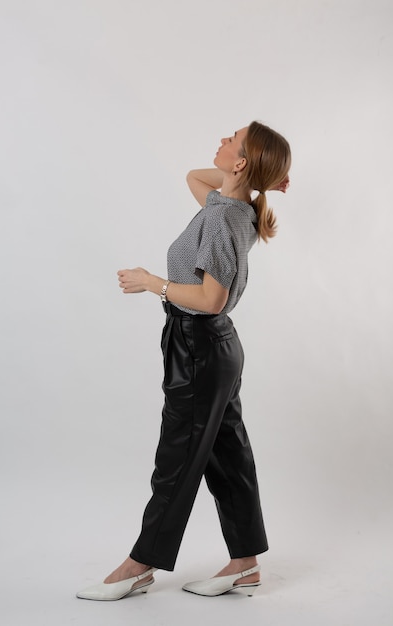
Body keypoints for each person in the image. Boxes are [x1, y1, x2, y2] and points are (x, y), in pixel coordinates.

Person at [76, 121, 291, 600]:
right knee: (227, 454)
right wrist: (259, 176)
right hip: (215, 348)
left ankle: (140, 564)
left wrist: (153, 282)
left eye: (229, 140)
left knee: (176, 459)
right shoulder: (234, 209)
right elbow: (196, 177)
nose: (219, 140)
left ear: (239, 161)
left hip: (198, 343)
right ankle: (245, 564)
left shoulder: (223, 217)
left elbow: (211, 298)